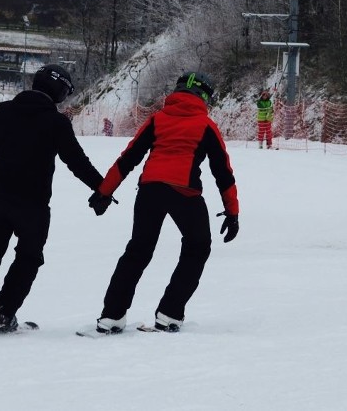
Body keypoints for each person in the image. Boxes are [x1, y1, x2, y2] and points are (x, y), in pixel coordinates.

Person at [0, 64, 104, 335]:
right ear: (60, 91)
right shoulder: (56, 122)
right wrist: (102, 189)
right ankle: (1, 315)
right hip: (33, 206)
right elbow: (77, 162)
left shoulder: (4, 111)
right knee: (28, 259)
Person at [87, 71, 240, 334]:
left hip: (150, 190)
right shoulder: (206, 125)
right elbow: (223, 172)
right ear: (205, 97)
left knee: (138, 250)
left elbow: (129, 157)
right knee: (197, 246)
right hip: (185, 193)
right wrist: (232, 212)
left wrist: (104, 192)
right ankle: (170, 313)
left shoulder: (157, 119)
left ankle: (111, 316)